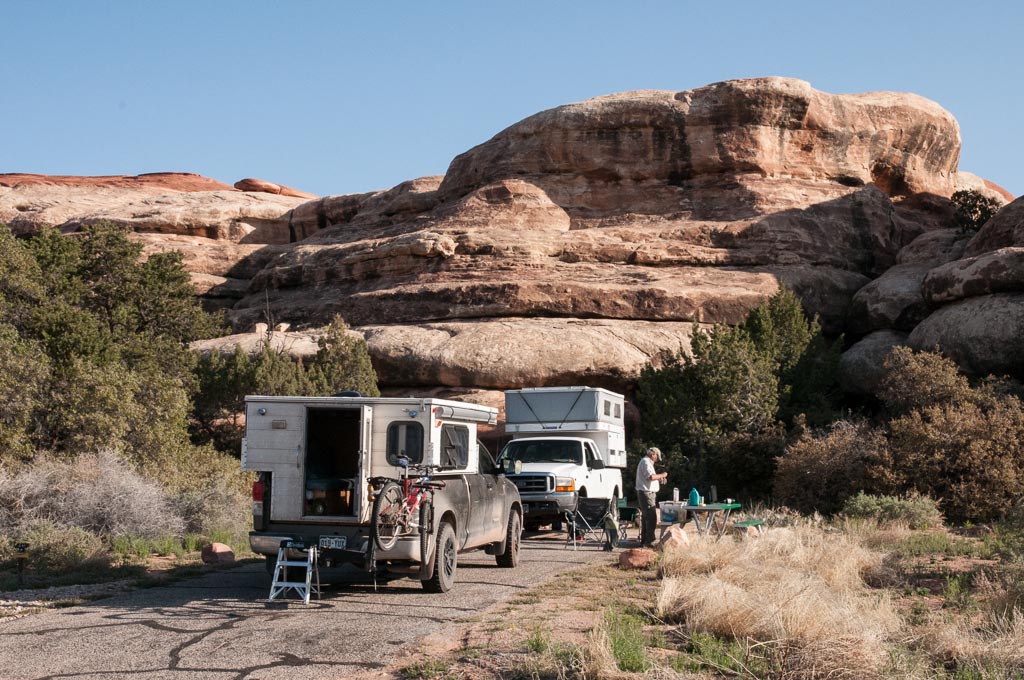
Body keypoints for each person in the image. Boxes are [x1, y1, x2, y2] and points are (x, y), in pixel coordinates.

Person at [636, 446, 668, 547]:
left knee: (646, 518)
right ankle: (649, 541)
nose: (657, 459)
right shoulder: (646, 462)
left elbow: (650, 478)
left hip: (647, 493)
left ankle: (645, 541)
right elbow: (650, 477)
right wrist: (662, 475)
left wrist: (659, 480)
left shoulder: (647, 462)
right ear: (653, 454)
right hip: (646, 494)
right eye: (657, 457)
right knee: (651, 518)